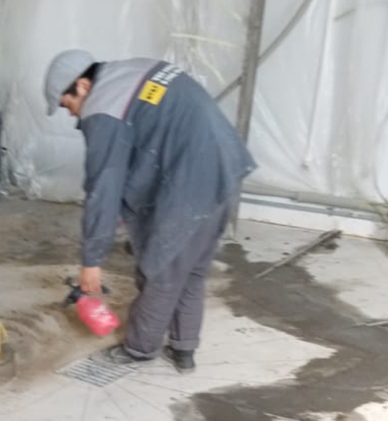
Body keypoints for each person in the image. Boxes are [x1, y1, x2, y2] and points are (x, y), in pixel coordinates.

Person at [44, 50, 256, 370]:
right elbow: (142, 145)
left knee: (160, 272)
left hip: (191, 182)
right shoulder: (134, 69)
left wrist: (92, 261)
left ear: (83, 86)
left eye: (67, 104)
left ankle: (139, 349)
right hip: (225, 166)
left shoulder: (102, 108)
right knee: (191, 269)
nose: (73, 116)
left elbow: (103, 187)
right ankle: (183, 348)